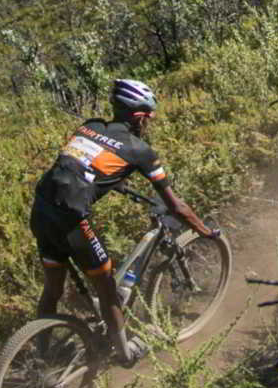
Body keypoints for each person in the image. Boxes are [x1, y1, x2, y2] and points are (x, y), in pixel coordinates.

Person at [28, 77, 216, 366]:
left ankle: (42, 357)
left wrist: (115, 182)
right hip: (72, 221)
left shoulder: (89, 126)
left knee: (52, 289)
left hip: (41, 210)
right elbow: (175, 206)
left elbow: (83, 164)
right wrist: (205, 231)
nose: (149, 122)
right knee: (107, 289)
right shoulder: (139, 150)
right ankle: (124, 353)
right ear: (139, 117)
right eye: (149, 116)